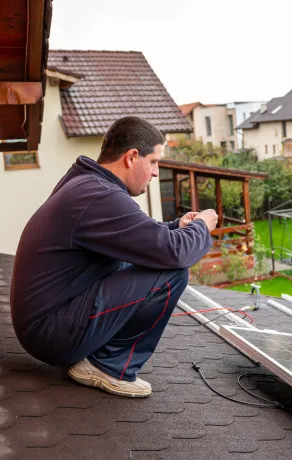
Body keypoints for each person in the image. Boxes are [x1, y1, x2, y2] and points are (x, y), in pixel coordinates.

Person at [10, 116, 218, 398]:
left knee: (148, 258)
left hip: (50, 322)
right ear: (132, 157)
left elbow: (136, 236)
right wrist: (202, 226)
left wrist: (175, 227)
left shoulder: (88, 185)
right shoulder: (97, 195)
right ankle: (108, 366)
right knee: (171, 270)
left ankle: (101, 356)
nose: (156, 172)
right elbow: (174, 253)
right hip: (52, 334)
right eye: (154, 162)